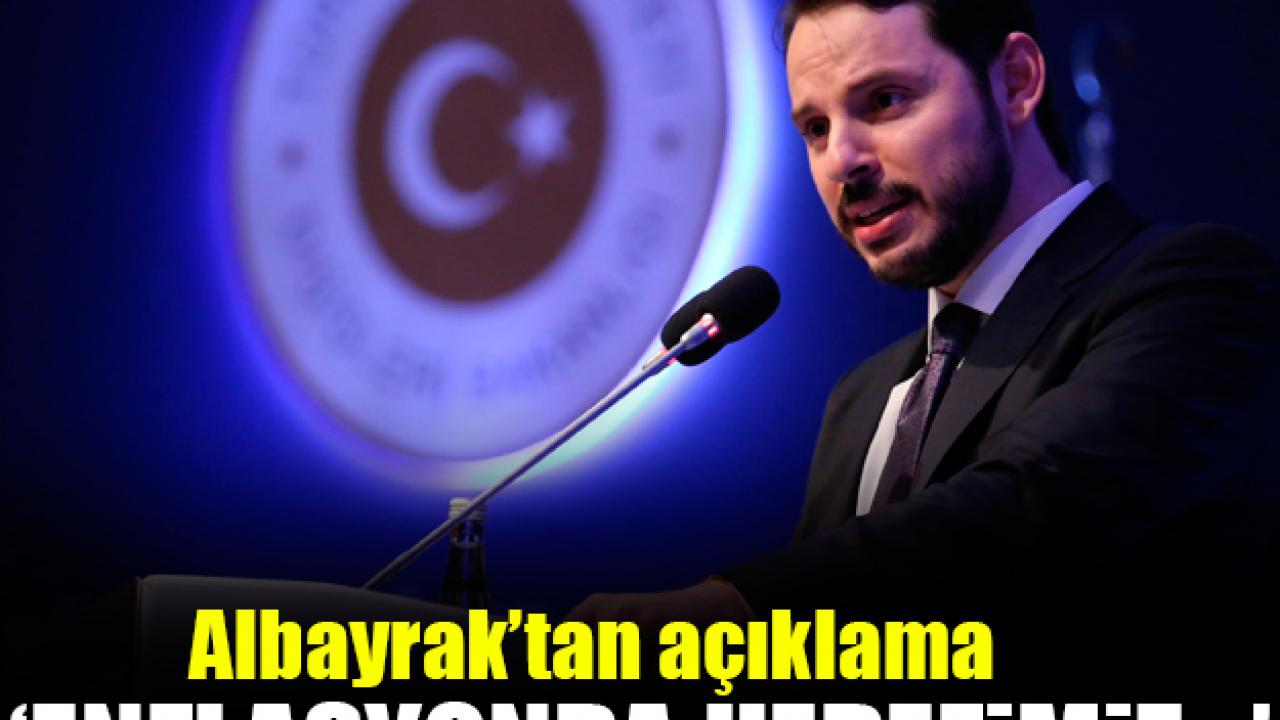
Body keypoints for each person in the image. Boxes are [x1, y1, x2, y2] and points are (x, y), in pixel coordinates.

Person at [570, 0, 1278, 690]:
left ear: (1015, 81)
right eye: (815, 127)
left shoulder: (1194, 287)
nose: (842, 160)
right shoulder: (862, 399)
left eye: (884, 101)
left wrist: (735, 606)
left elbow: (1032, 504)